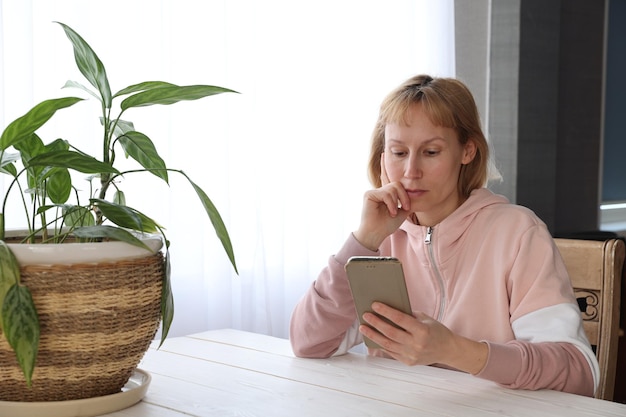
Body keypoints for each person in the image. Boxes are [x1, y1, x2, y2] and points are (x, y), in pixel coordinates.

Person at [289, 74, 599, 397]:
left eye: (431, 152)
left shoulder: (519, 235)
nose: (411, 172)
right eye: (398, 153)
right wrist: (364, 238)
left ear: (467, 151)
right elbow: (308, 342)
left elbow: (578, 373)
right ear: (383, 158)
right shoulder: (381, 241)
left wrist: (455, 350)